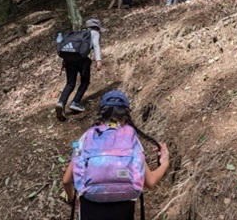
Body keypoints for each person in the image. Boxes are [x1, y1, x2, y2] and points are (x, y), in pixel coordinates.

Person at [62, 90, 170, 220]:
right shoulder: (131, 138)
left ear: (101, 113)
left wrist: (72, 198)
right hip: (124, 208)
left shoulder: (87, 137)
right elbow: (150, 182)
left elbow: (66, 180)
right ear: (126, 115)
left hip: (89, 206)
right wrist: (165, 164)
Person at [56, 19, 105, 121]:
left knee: (70, 83)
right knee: (85, 81)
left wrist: (64, 61)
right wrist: (98, 60)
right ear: (96, 27)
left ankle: (61, 102)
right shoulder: (94, 33)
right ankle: (75, 102)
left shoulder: (79, 32)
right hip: (82, 60)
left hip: (69, 59)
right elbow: (96, 46)